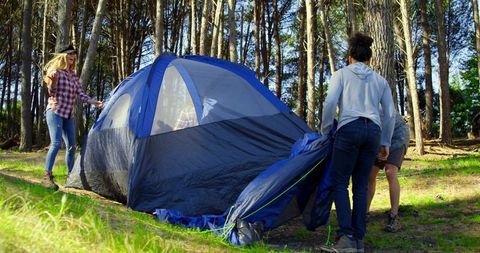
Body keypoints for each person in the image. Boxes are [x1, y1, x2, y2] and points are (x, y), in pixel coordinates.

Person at [320, 33, 395, 253]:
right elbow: (389, 114)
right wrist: (385, 142)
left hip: (348, 129)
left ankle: (346, 238)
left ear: (350, 57)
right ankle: (359, 239)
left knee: (340, 183)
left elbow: (330, 103)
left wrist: (325, 131)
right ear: (369, 59)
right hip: (373, 131)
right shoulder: (380, 81)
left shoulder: (341, 74)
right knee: (361, 185)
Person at [43, 44, 103, 190]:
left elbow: (80, 94)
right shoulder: (55, 72)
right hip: (55, 111)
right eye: (70, 54)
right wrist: (54, 81)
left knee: (72, 146)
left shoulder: (74, 76)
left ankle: (71, 176)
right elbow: (52, 92)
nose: (73, 57)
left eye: (74, 54)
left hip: (68, 114)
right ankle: (47, 176)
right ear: (63, 56)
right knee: (56, 143)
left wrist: (94, 102)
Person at [367, 110, 409, 232]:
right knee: (370, 174)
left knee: (390, 172)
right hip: (379, 139)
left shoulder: (376, 106)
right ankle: (365, 213)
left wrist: (383, 146)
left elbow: (386, 124)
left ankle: (394, 216)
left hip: (397, 134)